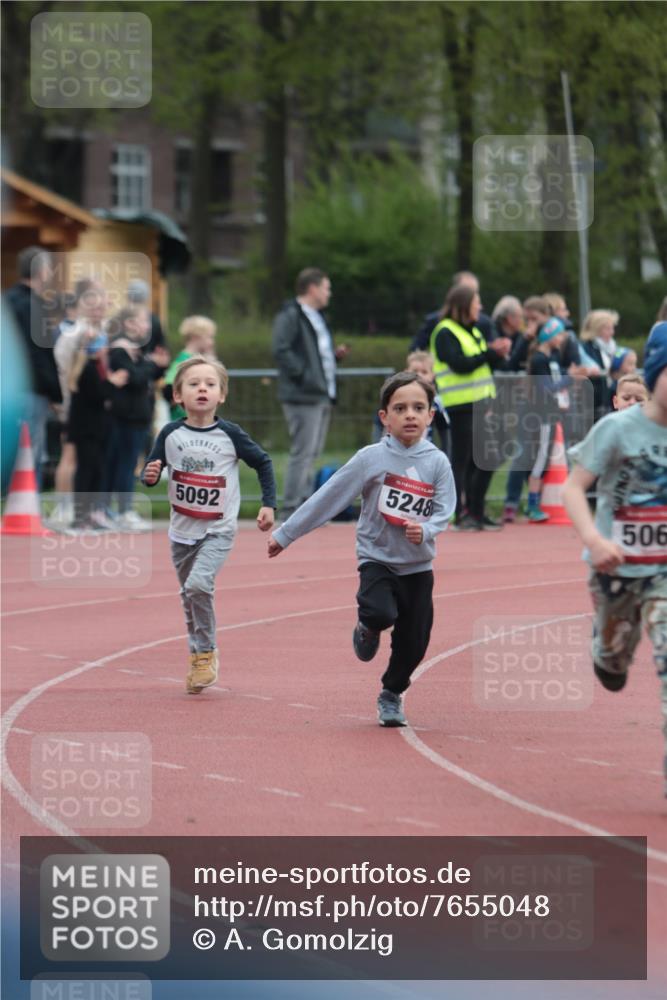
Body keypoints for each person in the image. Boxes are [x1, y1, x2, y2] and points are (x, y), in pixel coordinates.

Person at [268, 371, 456, 727]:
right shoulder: (371, 458)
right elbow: (331, 495)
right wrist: (286, 534)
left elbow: (445, 508)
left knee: (415, 642)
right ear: (384, 417)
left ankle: (391, 693)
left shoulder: (437, 463)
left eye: (419, 407)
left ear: (431, 415)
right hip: (377, 558)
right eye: (400, 408)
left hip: (418, 566)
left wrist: (427, 529)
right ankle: (367, 628)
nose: (411, 415)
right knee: (380, 612)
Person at [562, 321, 667, 793]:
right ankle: (606, 653)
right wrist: (595, 540)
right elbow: (572, 487)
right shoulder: (617, 429)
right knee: (614, 665)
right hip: (616, 571)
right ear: (654, 375)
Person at [142, 356, 276, 694]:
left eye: (210, 384)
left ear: (221, 395)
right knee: (189, 595)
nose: (202, 388)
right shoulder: (170, 433)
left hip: (218, 530)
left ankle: (206, 652)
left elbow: (263, 462)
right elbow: (152, 468)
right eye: (194, 384)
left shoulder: (230, 435)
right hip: (181, 532)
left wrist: (268, 504)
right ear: (177, 396)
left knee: (199, 585)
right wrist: (151, 475)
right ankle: (197, 654)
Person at [430, 283, 511, 530]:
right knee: (463, 460)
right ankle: (458, 513)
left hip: (480, 402)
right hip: (460, 404)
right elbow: (460, 364)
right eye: (477, 303)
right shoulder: (445, 331)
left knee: (486, 458)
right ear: (464, 305)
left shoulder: (472, 331)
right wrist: (488, 353)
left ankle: (475, 512)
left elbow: (481, 362)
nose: (480, 307)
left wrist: (497, 353)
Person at [272, 267, 348, 520]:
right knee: (302, 452)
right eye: (326, 287)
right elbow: (281, 349)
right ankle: (291, 509)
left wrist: (332, 359)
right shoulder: (291, 315)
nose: (329, 293)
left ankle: (304, 506)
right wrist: (305, 375)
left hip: (322, 392)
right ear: (313, 288)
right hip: (303, 394)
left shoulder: (318, 316)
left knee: (312, 452)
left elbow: (313, 353)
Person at [105, 306, 168, 531]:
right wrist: (151, 365)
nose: (148, 326)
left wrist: (159, 365)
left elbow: (148, 374)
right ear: (129, 324)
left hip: (138, 417)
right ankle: (121, 510)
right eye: (143, 321)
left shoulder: (136, 351)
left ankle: (118, 509)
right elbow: (136, 378)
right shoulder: (120, 351)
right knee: (123, 464)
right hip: (126, 418)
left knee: (128, 463)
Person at [5, 246, 62, 487]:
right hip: (32, 390)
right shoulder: (34, 306)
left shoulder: (7, 301)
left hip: (8, 387)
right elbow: (38, 353)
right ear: (41, 270)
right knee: (31, 454)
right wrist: (55, 392)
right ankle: (28, 515)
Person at [410, 270, 495, 351]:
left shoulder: (485, 323)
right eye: (466, 291)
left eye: (474, 292)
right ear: (454, 293)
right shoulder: (435, 321)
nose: (471, 296)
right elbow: (416, 349)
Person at [163, 315, 218, 420]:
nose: (212, 342)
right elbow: (169, 389)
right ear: (196, 337)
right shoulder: (184, 361)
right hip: (182, 421)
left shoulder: (197, 359)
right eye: (209, 337)